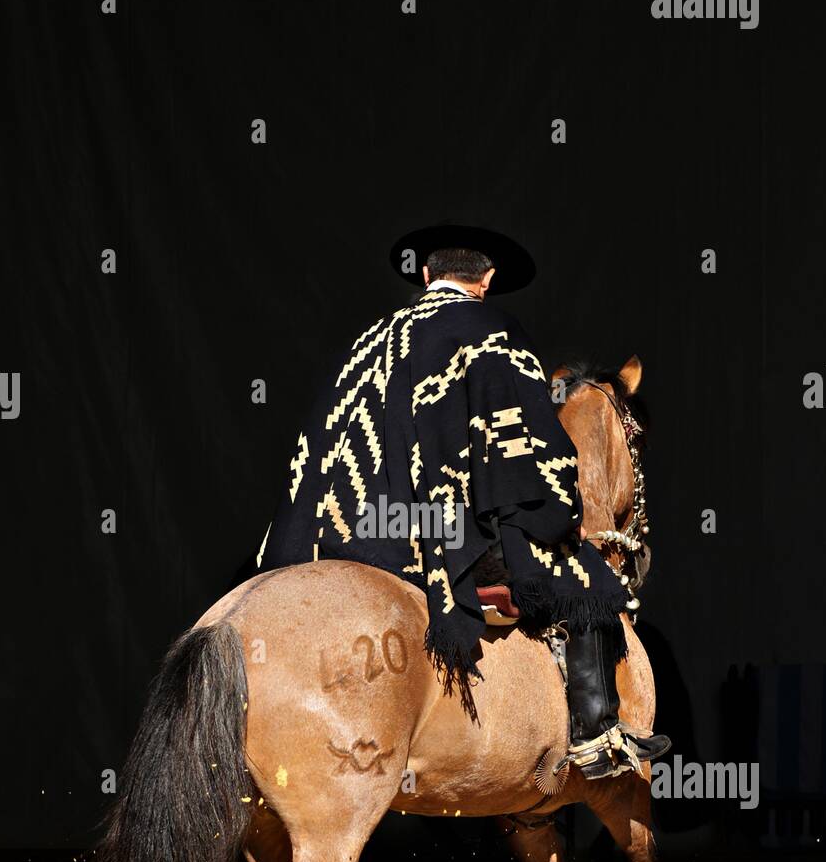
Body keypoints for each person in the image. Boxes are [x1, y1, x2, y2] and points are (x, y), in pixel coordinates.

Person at [258, 222, 669, 780]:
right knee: (590, 579)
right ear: (487, 279)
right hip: (444, 537)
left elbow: (322, 445)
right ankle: (596, 737)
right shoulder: (494, 331)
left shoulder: (371, 341)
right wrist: (553, 515)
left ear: (426, 275)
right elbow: (528, 447)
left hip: (336, 534)